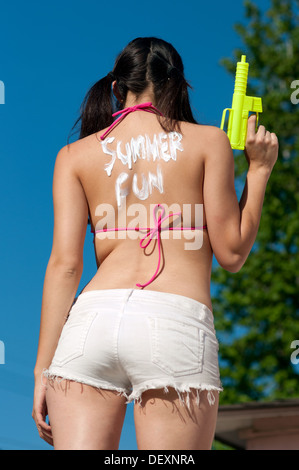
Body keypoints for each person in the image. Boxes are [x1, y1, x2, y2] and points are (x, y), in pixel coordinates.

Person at [32, 37, 278, 450]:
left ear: (116, 87)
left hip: (89, 325)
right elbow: (232, 253)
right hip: (173, 322)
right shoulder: (208, 142)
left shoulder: (74, 156)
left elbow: (65, 266)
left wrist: (44, 368)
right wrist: (258, 171)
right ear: (178, 86)